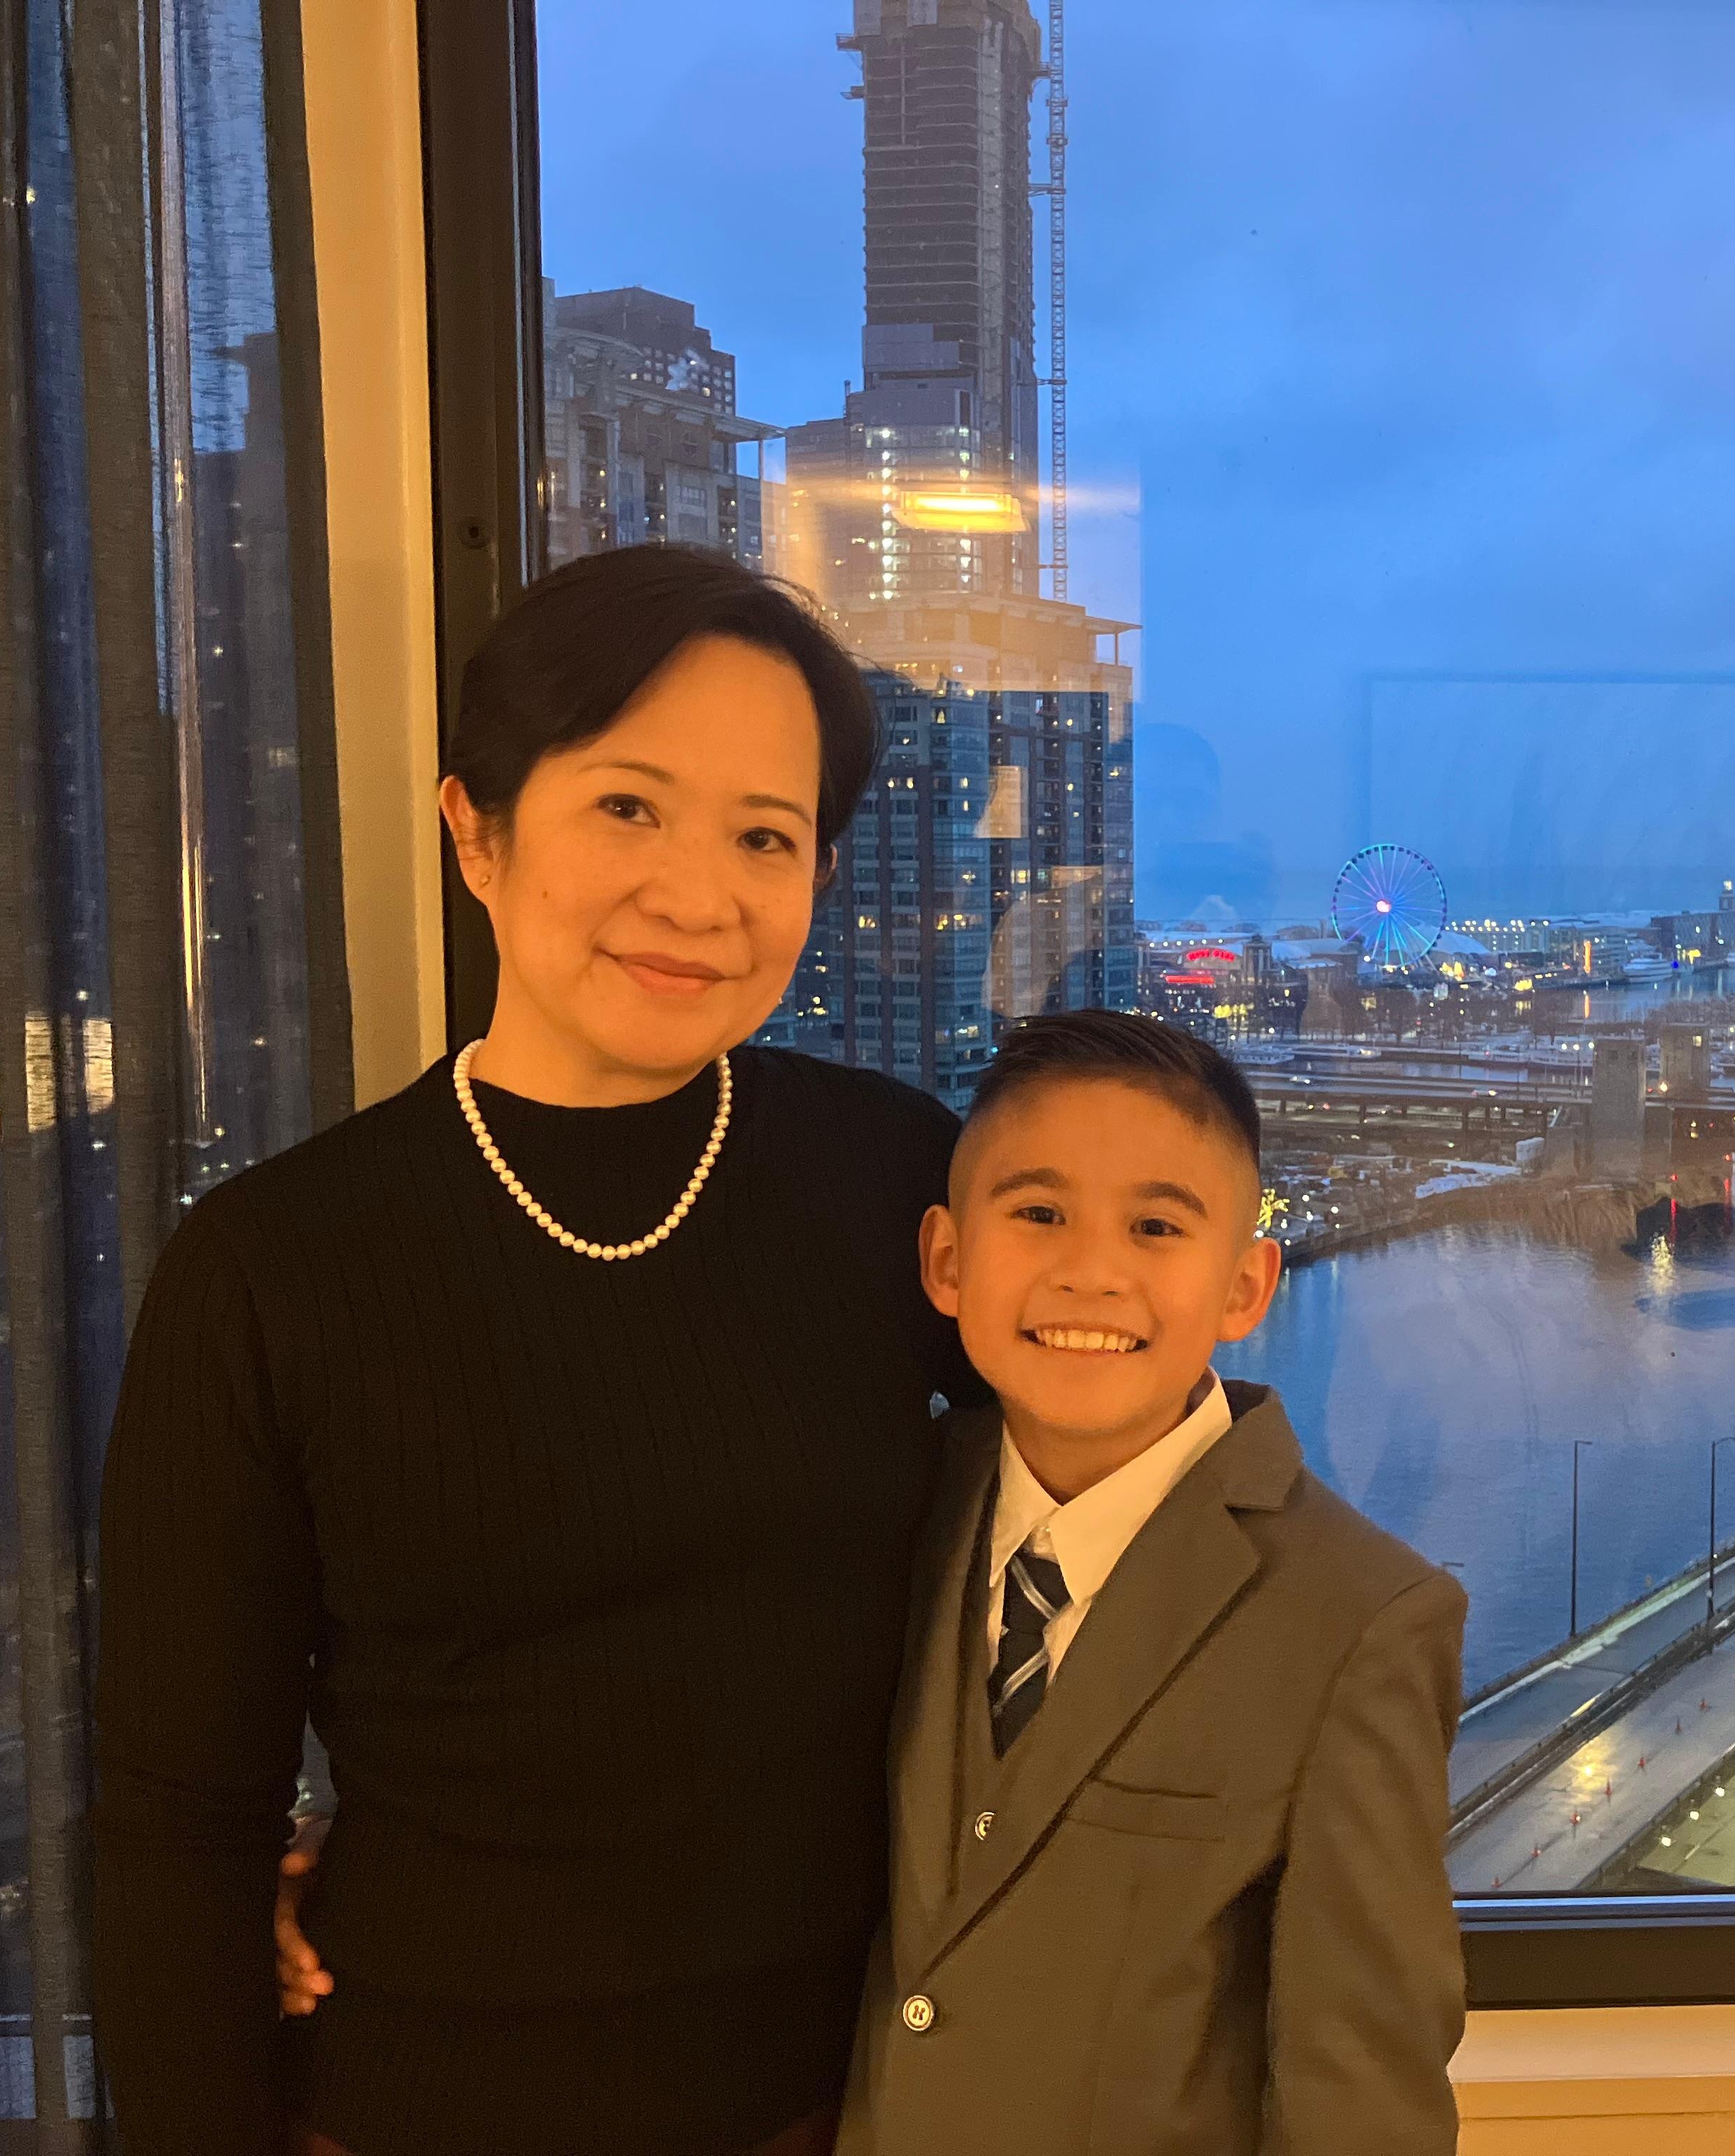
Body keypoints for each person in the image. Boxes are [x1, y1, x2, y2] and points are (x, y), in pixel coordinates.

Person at [92, 544, 980, 2156]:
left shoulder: (894, 1180)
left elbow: (1135, 1507)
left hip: (860, 2103)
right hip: (425, 2103)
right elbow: (179, 1823)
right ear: (476, 832)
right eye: (628, 807)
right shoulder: (273, 1268)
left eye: (766, 836)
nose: (699, 898)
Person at [280, 1010, 1473, 2154]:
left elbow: (1362, 2096)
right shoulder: (885, 1507)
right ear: (946, 1261)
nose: (1090, 1272)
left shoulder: (1360, 1620)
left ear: (1247, 1287)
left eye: (1156, 1228)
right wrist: (374, 1861)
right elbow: (679, 1714)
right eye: (1039, 1213)